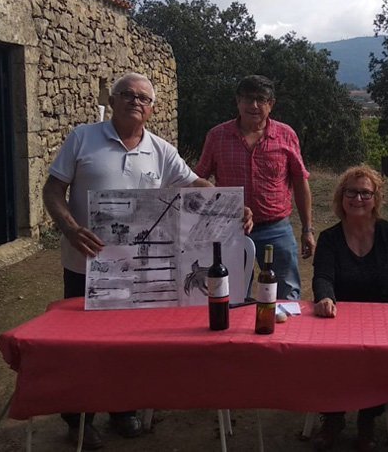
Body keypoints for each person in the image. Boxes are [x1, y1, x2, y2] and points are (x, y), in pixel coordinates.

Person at [43, 72, 252, 449]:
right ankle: (77, 419)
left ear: (152, 109)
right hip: (85, 265)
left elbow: (193, 184)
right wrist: (71, 229)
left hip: (139, 269)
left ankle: (122, 409)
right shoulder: (82, 138)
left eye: (143, 98)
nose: (135, 102)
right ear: (113, 100)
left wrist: (232, 206)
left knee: (127, 344)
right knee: (80, 345)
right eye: (127, 94)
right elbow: (53, 190)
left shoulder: (161, 150)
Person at [310, 165, 388, 451]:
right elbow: (323, 276)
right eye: (351, 192)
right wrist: (325, 298)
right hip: (339, 320)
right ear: (341, 197)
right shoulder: (330, 238)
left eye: (365, 193)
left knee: (381, 355)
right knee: (328, 354)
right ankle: (333, 417)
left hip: (385, 319)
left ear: (376, 198)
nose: (357, 199)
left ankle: (368, 418)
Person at [195, 75, 315, 301]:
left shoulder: (286, 135)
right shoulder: (217, 135)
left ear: (271, 104)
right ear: (237, 102)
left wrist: (307, 229)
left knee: (287, 293)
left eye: (261, 99)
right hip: (231, 229)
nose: (254, 106)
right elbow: (198, 178)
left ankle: (285, 335)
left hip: (277, 229)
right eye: (248, 99)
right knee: (231, 294)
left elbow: (300, 181)